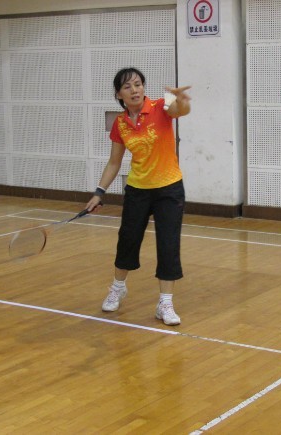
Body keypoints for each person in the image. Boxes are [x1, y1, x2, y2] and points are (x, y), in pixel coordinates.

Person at [86, 67, 191, 326]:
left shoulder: (160, 106)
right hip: (138, 190)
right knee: (128, 241)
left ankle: (165, 303)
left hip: (169, 189)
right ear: (118, 94)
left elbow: (179, 110)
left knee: (168, 244)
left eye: (138, 84)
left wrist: (181, 100)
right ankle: (117, 288)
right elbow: (114, 162)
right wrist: (99, 193)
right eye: (127, 87)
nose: (134, 90)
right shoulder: (120, 124)